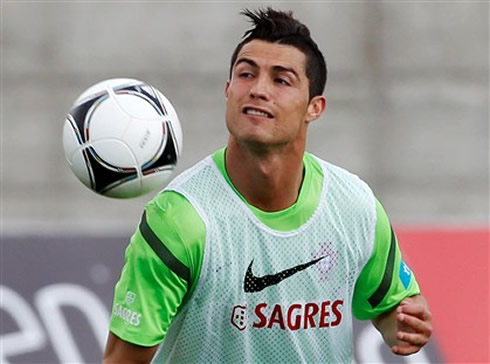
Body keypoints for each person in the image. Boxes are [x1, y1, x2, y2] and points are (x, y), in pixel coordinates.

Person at [103, 7, 432, 363]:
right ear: (228, 90)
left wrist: (403, 323)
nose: (258, 90)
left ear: (314, 108)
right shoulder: (180, 220)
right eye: (246, 74)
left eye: (281, 80)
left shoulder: (354, 206)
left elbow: (394, 303)